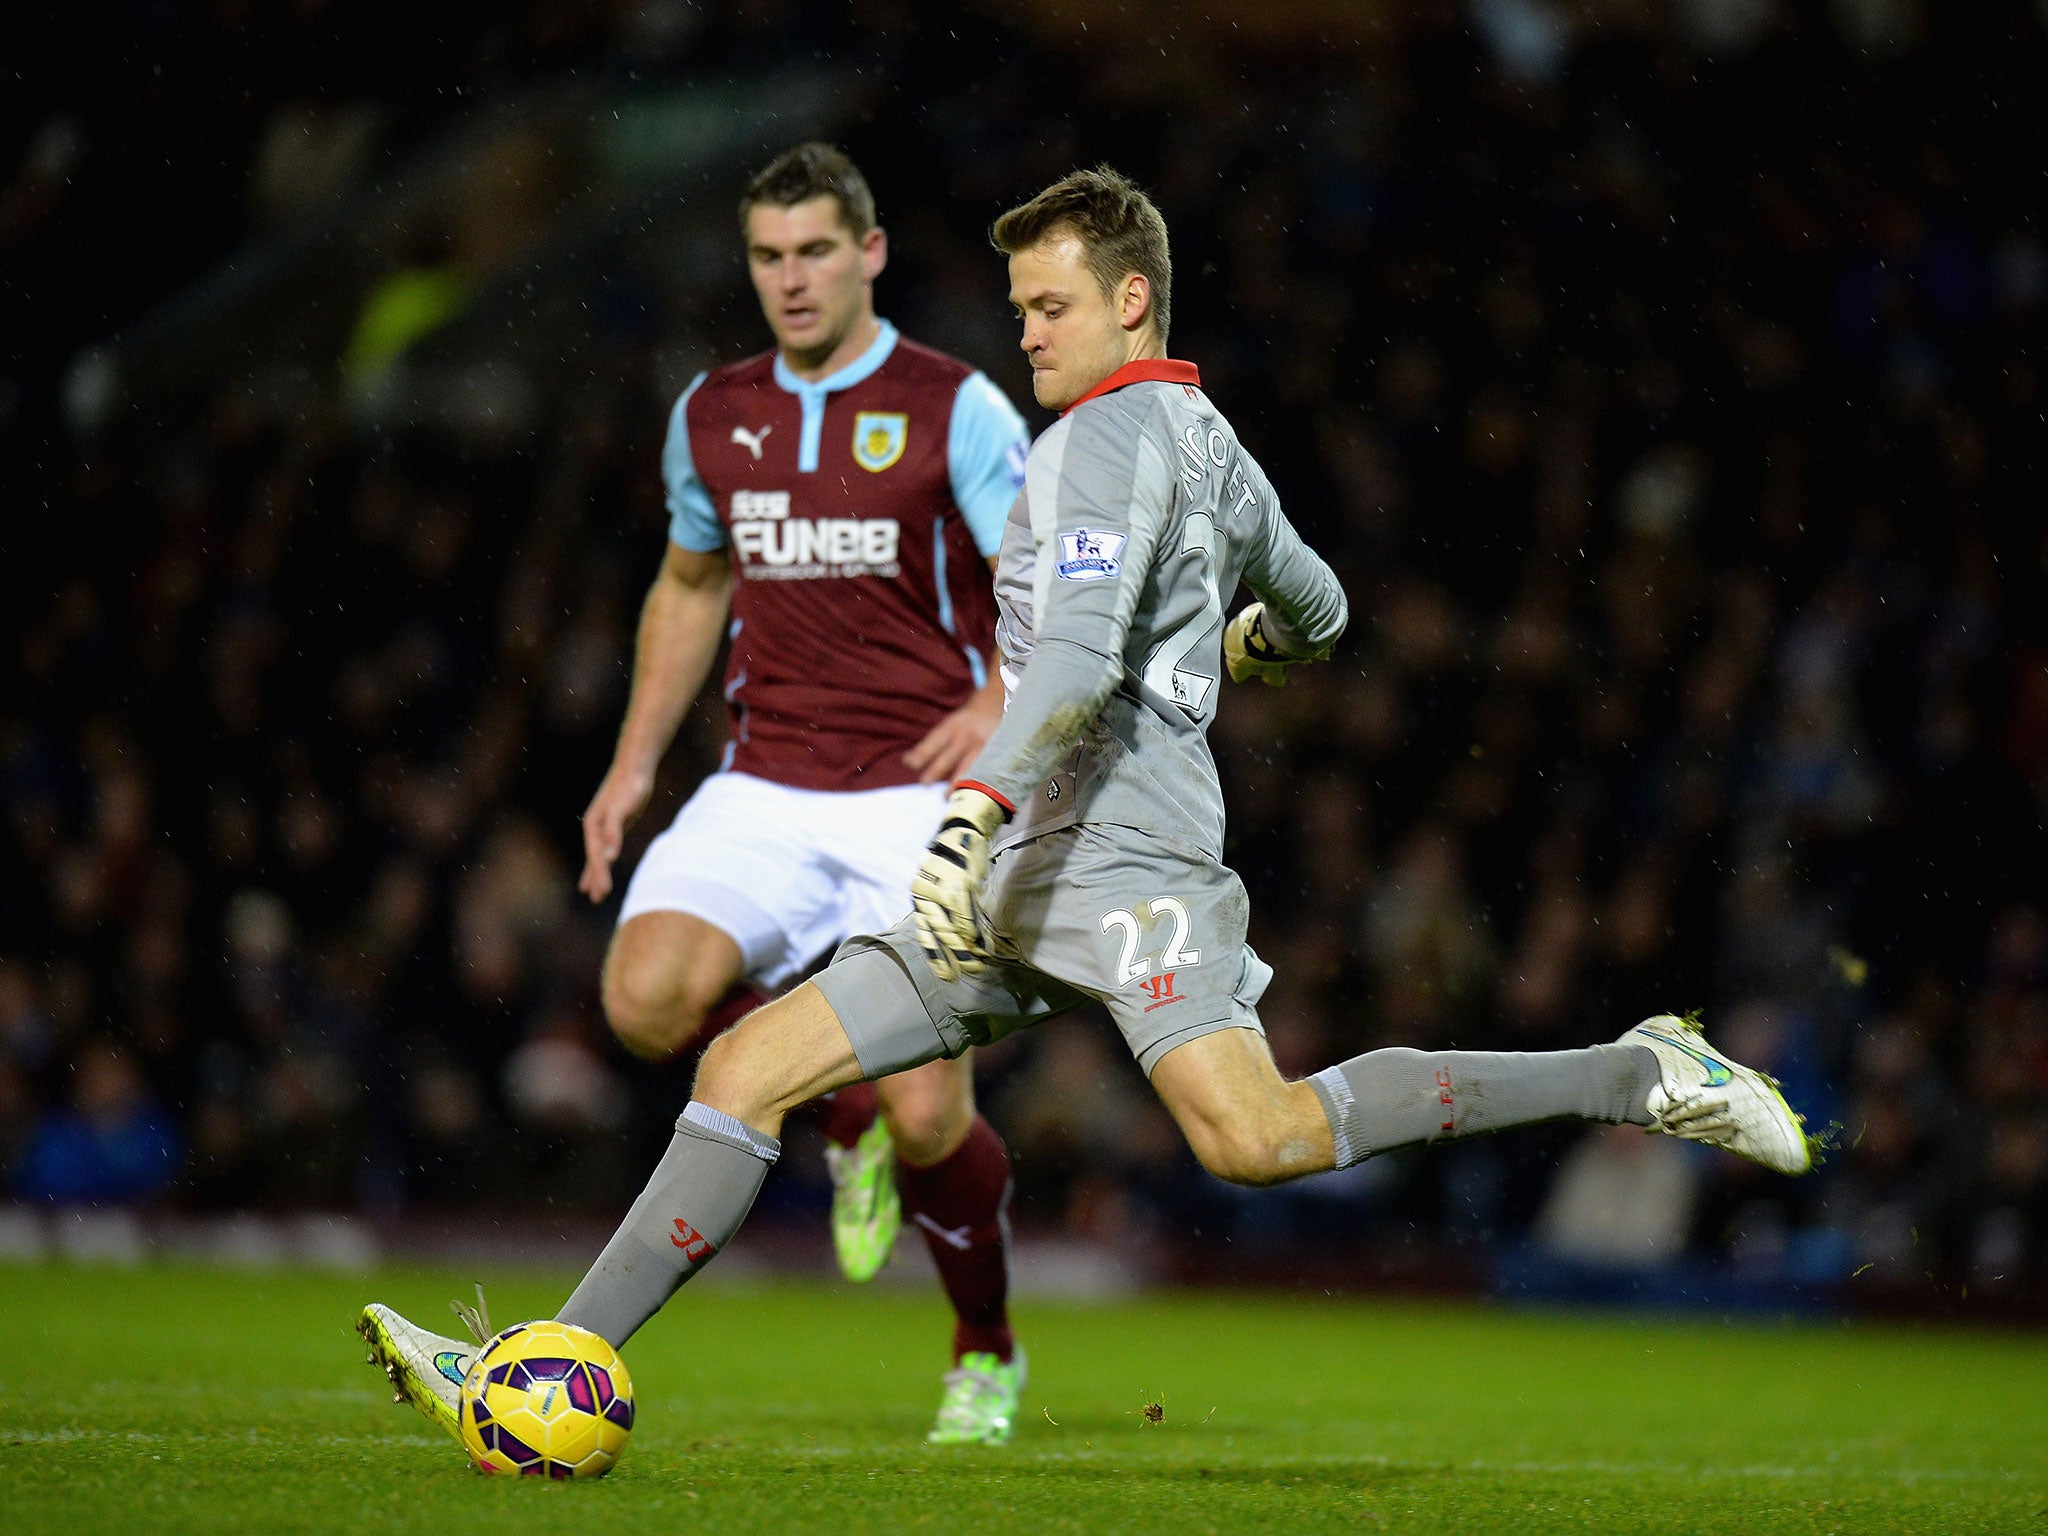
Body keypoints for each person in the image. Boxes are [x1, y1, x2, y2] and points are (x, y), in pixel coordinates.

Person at [362, 163, 1812, 1453]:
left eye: (1051, 306)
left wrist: (971, 808)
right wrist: (1249, 643)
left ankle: (1632, 1073)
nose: (1028, 333)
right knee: (747, 1069)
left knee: (1254, 1141)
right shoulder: (1219, 448)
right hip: (1033, 870)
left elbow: (1071, 658)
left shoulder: (1095, 446)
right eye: (1018, 308)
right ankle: (542, 1366)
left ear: (1132, 301)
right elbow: (1323, 606)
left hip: (1119, 860)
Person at [362, 143, 1033, 1447]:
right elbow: (687, 586)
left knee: (931, 1110)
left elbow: (1042, 575)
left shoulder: (956, 407)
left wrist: (1003, 694)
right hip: (767, 781)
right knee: (642, 996)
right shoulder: (714, 415)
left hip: (919, 792)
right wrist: (630, 764)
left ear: (870, 252)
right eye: (768, 256)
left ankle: (984, 1349)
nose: (792, 278)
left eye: (815, 250)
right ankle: (837, 1111)